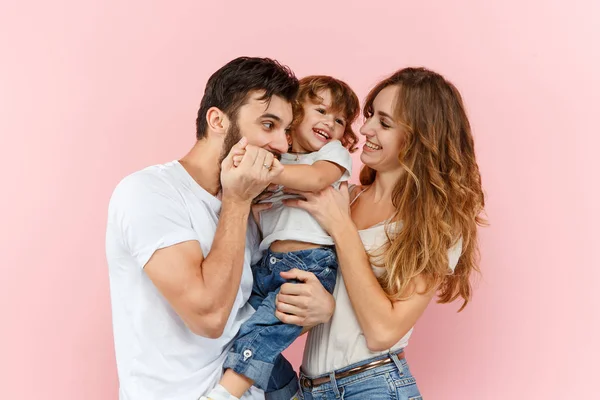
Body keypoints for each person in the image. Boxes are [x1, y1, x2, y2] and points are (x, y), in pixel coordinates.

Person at [274, 67, 486, 399]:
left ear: (421, 137)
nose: (365, 128)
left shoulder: (438, 225)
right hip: (310, 387)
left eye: (384, 123)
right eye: (370, 115)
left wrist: (343, 229)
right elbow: (316, 308)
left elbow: (382, 331)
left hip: (372, 386)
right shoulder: (342, 195)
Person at [105, 56, 309, 400]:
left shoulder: (252, 203)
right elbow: (210, 317)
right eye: (268, 125)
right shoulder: (149, 192)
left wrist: (315, 310)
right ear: (217, 120)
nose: (282, 145)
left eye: (286, 131)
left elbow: (252, 315)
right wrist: (237, 201)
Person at [201, 76, 360, 400]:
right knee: (238, 328)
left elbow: (315, 179)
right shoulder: (278, 155)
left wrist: (272, 173)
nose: (330, 123)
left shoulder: (331, 155)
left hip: (309, 265)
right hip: (267, 264)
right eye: (321, 111)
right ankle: (287, 392)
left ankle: (224, 395)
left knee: (266, 331)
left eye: (340, 120)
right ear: (295, 112)